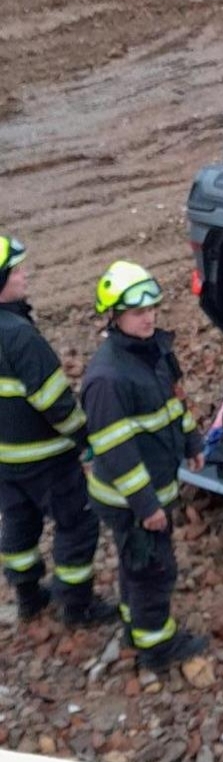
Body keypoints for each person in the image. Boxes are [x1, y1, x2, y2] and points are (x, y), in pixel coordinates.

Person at [82, 261, 208, 669]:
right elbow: (115, 451)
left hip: (151, 489)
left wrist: (192, 441)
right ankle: (156, 647)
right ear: (115, 316)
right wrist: (146, 506)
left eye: (152, 308)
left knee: (136, 564)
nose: (150, 317)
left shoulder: (155, 353)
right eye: (138, 312)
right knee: (153, 569)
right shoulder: (108, 378)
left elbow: (175, 403)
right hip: (130, 500)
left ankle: (134, 622)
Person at [0, 234, 116, 626]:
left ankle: (28, 596)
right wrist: (87, 438)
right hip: (46, 457)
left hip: (5, 459)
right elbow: (55, 402)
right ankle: (77, 606)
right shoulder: (19, 336)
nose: (25, 275)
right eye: (16, 271)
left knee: (18, 523)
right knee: (77, 524)